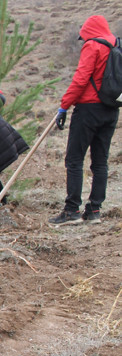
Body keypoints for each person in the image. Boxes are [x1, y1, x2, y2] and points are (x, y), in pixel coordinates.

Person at [50, 15, 120, 226]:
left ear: (88, 32)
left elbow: (81, 79)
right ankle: (94, 210)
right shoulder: (117, 45)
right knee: (100, 161)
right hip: (111, 108)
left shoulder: (93, 46)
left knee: (74, 159)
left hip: (89, 108)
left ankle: (71, 211)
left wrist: (64, 105)